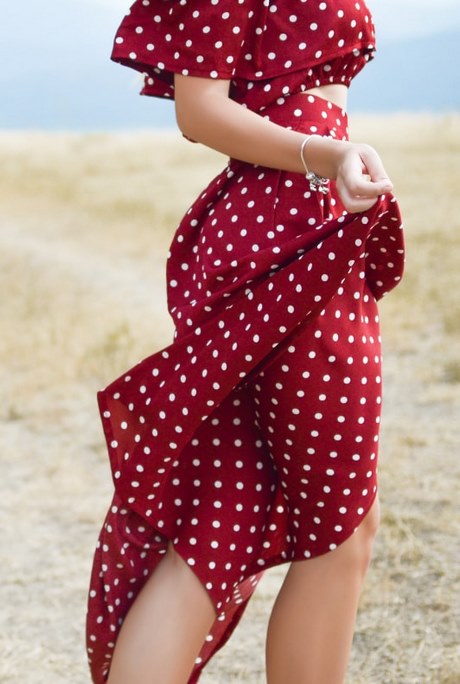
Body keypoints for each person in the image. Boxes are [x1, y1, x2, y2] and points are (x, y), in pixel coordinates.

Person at [86, 1, 405, 682]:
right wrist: (329, 153)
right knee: (341, 530)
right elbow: (198, 108)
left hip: (287, 214)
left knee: (224, 514)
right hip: (287, 220)